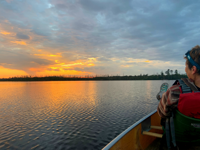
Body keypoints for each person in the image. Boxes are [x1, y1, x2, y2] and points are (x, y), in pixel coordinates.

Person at [157, 45, 200, 119]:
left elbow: (161, 113)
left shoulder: (174, 92)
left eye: (186, 66)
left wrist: (166, 95)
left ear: (193, 69)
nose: (185, 70)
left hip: (183, 130)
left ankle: (162, 95)